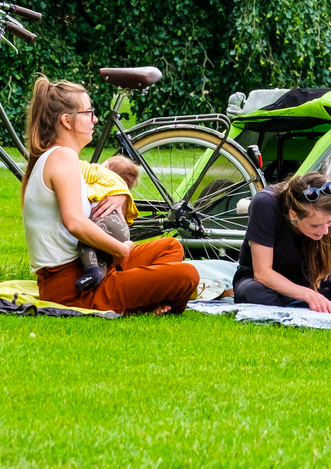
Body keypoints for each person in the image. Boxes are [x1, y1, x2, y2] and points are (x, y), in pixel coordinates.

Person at [21, 77, 199, 313]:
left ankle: (144, 296)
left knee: (171, 247)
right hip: (75, 286)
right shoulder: (62, 157)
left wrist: (120, 195)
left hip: (96, 264)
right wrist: (119, 250)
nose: (95, 119)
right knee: (188, 275)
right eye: (88, 113)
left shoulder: (58, 157)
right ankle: (146, 301)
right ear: (66, 120)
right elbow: (74, 222)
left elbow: (100, 179)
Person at [232, 173, 331, 311]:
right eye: (315, 225)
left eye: (329, 222)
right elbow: (262, 273)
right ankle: (311, 303)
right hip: (267, 284)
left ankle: (313, 304)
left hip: (313, 282)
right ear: (293, 214)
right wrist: (308, 296)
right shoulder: (266, 203)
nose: (325, 231)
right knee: (254, 293)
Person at [75, 153, 142, 293]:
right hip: (123, 232)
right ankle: (97, 278)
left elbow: (79, 168)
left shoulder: (101, 172)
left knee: (86, 239)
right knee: (103, 260)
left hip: (105, 223)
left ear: (105, 166)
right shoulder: (121, 190)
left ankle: (90, 270)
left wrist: (72, 159)